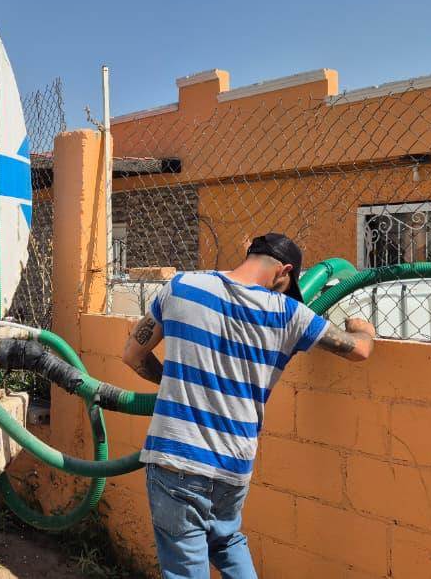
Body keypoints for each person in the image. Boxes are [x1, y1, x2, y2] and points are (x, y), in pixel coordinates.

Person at [121, 233, 375, 579]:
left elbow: (132, 355)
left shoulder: (181, 287)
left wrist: (174, 384)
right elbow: (359, 351)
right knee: (226, 543)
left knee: (185, 568)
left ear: (249, 254)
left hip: (177, 460)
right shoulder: (290, 314)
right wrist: (363, 329)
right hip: (234, 466)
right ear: (284, 272)